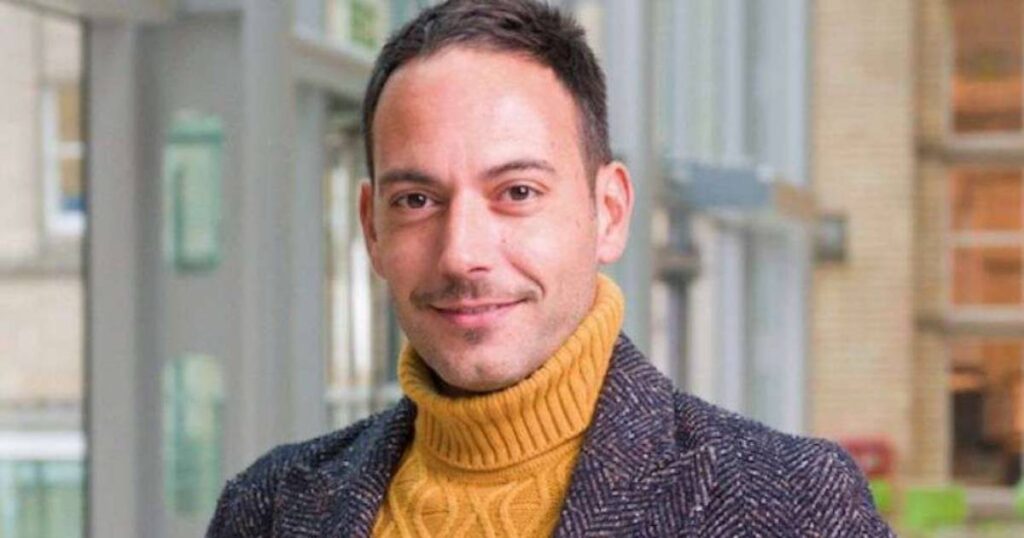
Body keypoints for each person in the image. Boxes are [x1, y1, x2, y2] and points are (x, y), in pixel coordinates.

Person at [206, 0, 895, 536]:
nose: (462, 253)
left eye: (517, 192)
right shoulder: (268, 509)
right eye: (416, 200)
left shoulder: (791, 505)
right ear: (371, 228)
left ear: (610, 212)